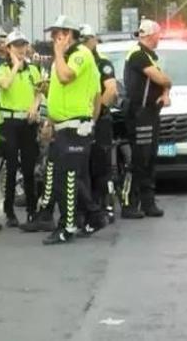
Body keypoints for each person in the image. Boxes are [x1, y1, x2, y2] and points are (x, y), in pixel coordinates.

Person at [27, 16, 107, 245]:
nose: (54, 39)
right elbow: (57, 94)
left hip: (75, 126)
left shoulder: (80, 54)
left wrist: (59, 53)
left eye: (58, 34)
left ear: (69, 35)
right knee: (69, 178)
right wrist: (49, 123)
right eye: (53, 35)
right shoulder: (63, 58)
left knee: (67, 179)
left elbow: (65, 78)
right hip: (62, 126)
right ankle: (94, 215)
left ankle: (67, 226)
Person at [122, 19, 171, 219]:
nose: (160, 38)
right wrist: (167, 84)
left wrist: (166, 92)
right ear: (150, 35)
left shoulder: (150, 56)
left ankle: (148, 202)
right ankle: (130, 203)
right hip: (139, 114)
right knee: (139, 159)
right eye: (158, 34)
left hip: (150, 113)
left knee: (149, 158)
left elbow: (163, 82)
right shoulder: (138, 55)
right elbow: (161, 78)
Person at [0, 31, 41, 227]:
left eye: (23, 46)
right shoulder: (1, 69)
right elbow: (5, 85)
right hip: (9, 123)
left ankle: (32, 210)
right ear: (9, 49)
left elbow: (40, 92)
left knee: (30, 168)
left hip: (28, 122)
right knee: (12, 167)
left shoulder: (33, 70)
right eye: (16, 46)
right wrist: (15, 66)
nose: (21, 50)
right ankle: (9, 211)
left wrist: (35, 106)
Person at [81, 24, 119, 223]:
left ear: (94, 40)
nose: (86, 43)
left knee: (101, 166)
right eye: (82, 39)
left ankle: (105, 205)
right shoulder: (75, 62)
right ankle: (85, 208)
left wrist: (96, 112)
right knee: (82, 167)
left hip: (98, 121)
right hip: (79, 121)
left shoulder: (102, 63)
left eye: (88, 39)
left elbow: (111, 90)